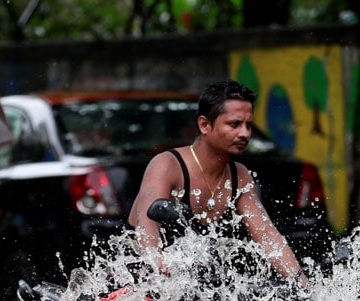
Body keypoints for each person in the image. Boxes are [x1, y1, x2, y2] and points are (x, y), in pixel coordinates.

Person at [128, 79, 308, 287]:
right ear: (204, 125)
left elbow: (268, 237)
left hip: (198, 293)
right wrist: (160, 275)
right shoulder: (167, 165)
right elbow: (146, 232)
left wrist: (303, 287)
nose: (245, 133)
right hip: (142, 288)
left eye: (248, 125)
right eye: (234, 124)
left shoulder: (239, 176)